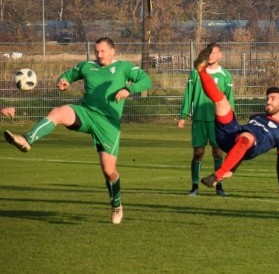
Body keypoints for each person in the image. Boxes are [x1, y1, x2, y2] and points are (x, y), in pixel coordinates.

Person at [3, 37, 152, 225]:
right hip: (86, 113)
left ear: (113, 51)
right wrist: (63, 82)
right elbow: (66, 76)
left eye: (102, 51)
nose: (99, 55)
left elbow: (146, 80)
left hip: (108, 124)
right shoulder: (86, 66)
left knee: (109, 171)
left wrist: (129, 89)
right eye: (96, 51)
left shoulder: (124, 67)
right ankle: (27, 140)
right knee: (58, 112)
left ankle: (116, 204)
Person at [191, 45, 279, 200]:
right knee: (222, 102)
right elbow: (239, 148)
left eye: (273, 99)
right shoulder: (257, 116)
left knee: (247, 137)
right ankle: (201, 70)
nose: (268, 101)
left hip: (249, 143)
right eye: (267, 98)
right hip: (232, 134)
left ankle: (216, 176)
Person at [178, 42, 233, 196]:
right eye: (209, 52)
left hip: (218, 120)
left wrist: (232, 119)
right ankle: (195, 186)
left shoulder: (225, 75)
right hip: (199, 119)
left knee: (218, 152)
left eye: (214, 52)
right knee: (198, 152)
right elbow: (188, 94)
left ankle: (219, 185)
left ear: (220, 55)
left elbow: (229, 98)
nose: (211, 55)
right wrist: (183, 115)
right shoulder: (196, 73)